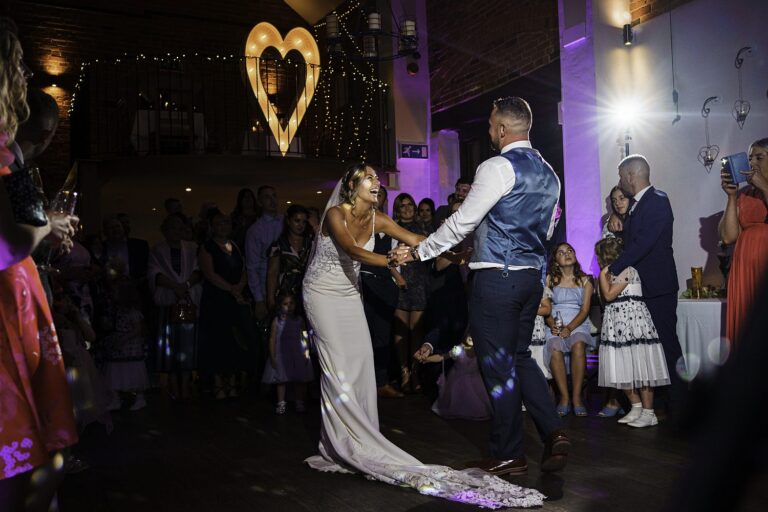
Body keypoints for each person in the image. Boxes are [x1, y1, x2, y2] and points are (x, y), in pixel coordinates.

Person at [302, 163, 544, 507]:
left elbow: (417, 240)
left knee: (361, 362)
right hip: (322, 294)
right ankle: (339, 443)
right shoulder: (335, 216)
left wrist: (454, 254)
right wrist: (389, 261)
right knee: (337, 366)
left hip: (348, 293)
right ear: (353, 186)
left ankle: (363, 436)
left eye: (377, 178)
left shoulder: (377, 219)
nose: (377, 182)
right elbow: (352, 251)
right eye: (370, 178)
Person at [396, 97, 569, 477]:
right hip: (530, 278)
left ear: (504, 130)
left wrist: (421, 250)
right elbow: (546, 229)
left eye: (491, 126)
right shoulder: (549, 173)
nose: (489, 132)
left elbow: (463, 221)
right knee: (520, 358)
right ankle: (554, 431)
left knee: (497, 366)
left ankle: (508, 452)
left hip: (498, 279)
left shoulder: (497, 165)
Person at [0, 18, 79, 511]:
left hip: (21, 299)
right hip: (7, 307)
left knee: (41, 457)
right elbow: (8, 241)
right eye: (19, 66)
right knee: (30, 461)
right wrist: (46, 227)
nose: (26, 76)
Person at [608, 154, 684, 421]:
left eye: (621, 176)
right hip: (643, 288)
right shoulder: (638, 206)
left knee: (667, 344)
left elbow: (643, 244)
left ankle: (681, 407)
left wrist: (613, 268)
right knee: (651, 347)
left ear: (631, 175)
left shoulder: (657, 201)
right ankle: (659, 404)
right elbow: (633, 239)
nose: (620, 182)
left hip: (658, 285)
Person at [595, 237, 670, 428]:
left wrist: (602, 275)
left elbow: (609, 295)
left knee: (640, 365)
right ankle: (635, 406)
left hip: (633, 323)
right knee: (622, 365)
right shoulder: (610, 274)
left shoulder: (628, 270)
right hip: (616, 323)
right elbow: (605, 301)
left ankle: (648, 412)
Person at [197, 211, 252, 399]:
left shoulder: (234, 245)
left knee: (234, 339)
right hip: (216, 298)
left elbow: (244, 269)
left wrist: (239, 287)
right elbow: (209, 274)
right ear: (212, 226)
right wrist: (231, 289)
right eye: (219, 223)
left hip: (234, 298)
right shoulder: (207, 247)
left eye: (226, 222)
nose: (223, 226)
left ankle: (232, 380)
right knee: (217, 339)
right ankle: (219, 382)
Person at [719, 138, 768, 345]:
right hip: (744, 269)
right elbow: (728, 236)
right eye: (750, 159)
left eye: (760, 157)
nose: (753, 163)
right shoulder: (745, 195)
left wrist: (765, 187)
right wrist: (731, 197)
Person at [148, 213, 202, 401]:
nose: (175, 231)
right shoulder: (157, 250)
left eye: (179, 227)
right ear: (164, 230)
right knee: (169, 344)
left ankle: (186, 384)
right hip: (168, 303)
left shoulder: (193, 248)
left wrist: (185, 286)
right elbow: (154, 273)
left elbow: (198, 270)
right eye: (171, 227)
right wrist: (175, 287)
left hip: (188, 302)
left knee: (187, 345)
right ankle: (172, 384)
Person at [359, 186, 405, 398]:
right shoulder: (360, 222)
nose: (377, 199)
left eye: (381, 196)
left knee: (383, 334)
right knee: (364, 334)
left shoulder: (388, 223)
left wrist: (397, 281)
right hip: (366, 282)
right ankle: (364, 384)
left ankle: (382, 382)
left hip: (386, 284)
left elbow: (396, 255)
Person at [545, 242, 594, 417]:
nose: (567, 254)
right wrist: (552, 324)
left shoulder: (586, 280)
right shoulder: (551, 279)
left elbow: (585, 310)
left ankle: (577, 397)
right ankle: (564, 398)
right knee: (555, 348)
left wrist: (570, 328)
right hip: (556, 323)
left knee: (578, 344)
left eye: (570, 251)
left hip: (578, 322)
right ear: (556, 261)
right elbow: (546, 307)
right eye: (561, 252)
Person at [392, 192, 431, 393]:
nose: (407, 208)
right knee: (400, 331)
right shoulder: (392, 228)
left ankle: (416, 373)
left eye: (410, 205)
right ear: (397, 209)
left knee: (416, 330)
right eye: (403, 206)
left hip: (419, 282)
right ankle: (403, 372)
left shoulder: (423, 227)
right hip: (399, 282)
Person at [262, 291, 314, 414]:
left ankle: (299, 401)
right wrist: (272, 355)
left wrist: (306, 353)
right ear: (280, 305)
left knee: (299, 379)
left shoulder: (299, 320)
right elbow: (272, 339)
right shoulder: (277, 321)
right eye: (285, 304)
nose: (289, 306)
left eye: (291, 303)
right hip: (282, 354)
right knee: (281, 380)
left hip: (297, 353)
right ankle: (281, 403)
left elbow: (304, 336)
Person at [101, 279, 150, 411]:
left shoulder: (132, 312)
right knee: (116, 370)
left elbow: (138, 329)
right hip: (120, 346)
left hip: (130, 346)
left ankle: (140, 398)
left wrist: (124, 339)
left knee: (132, 370)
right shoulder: (118, 310)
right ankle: (116, 399)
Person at [265, 204, 312, 313]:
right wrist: (270, 299)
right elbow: (272, 273)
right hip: (286, 297)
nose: (300, 225)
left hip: (308, 294)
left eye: (304, 222)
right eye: (297, 220)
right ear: (288, 221)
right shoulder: (278, 245)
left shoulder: (310, 243)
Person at [245, 185, 282, 321]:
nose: (272, 200)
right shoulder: (255, 230)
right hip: (267, 288)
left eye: (274, 196)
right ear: (260, 202)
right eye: (267, 197)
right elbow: (252, 267)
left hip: (288, 286)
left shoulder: (286, 221)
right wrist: (259, 300)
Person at [530, 286, 553, 380]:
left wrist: (525, 310)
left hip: (536, 333)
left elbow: (547, 309)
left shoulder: (538, 286)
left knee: (541, 375)